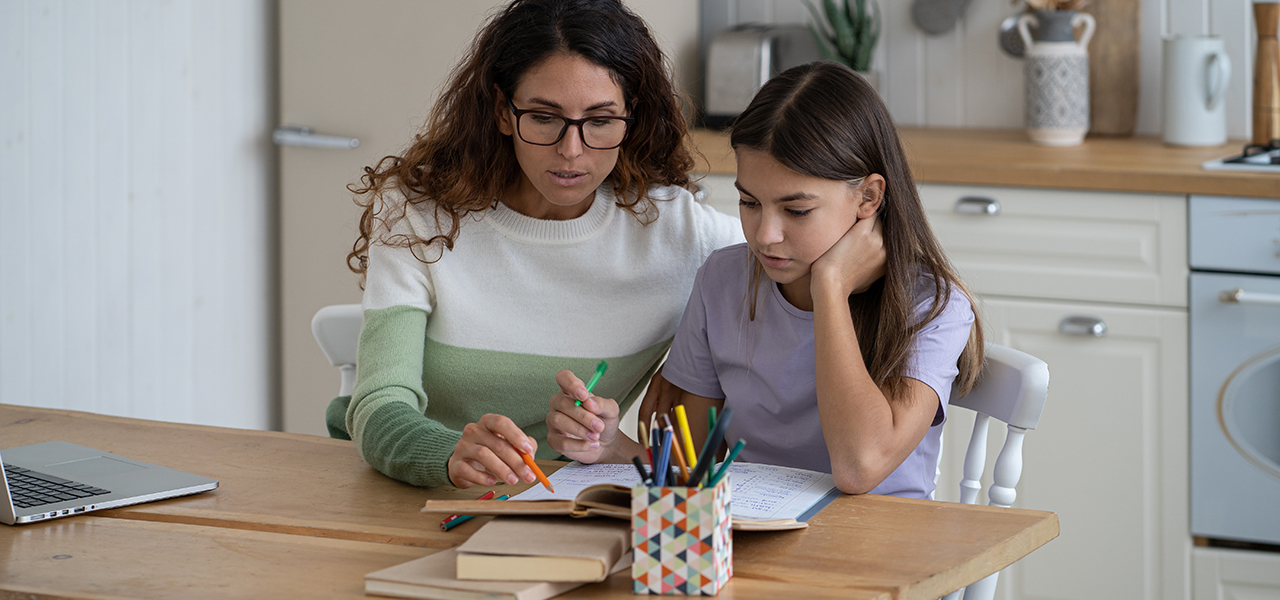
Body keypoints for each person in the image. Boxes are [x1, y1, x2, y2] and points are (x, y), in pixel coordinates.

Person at [327, 0, 743, 489]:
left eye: (601, 120)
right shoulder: (419, 212)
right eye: (544, 118)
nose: (572, 150)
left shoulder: (681, 232)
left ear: (632, 118)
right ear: (503, 112)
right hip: (417, 494)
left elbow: (807, 252)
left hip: (565, 503)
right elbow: (379, 405)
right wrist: (448, 455)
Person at [546, 61, 984, 498]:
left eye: (796, 210)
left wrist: (830, 286)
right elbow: (687, 470)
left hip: (879, 549)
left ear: (868, 197)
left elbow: (858, 468)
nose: (765, 235)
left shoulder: (931, 305)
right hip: (753, 540)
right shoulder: (723, 281)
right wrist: (611, 445)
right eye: (749, 202)